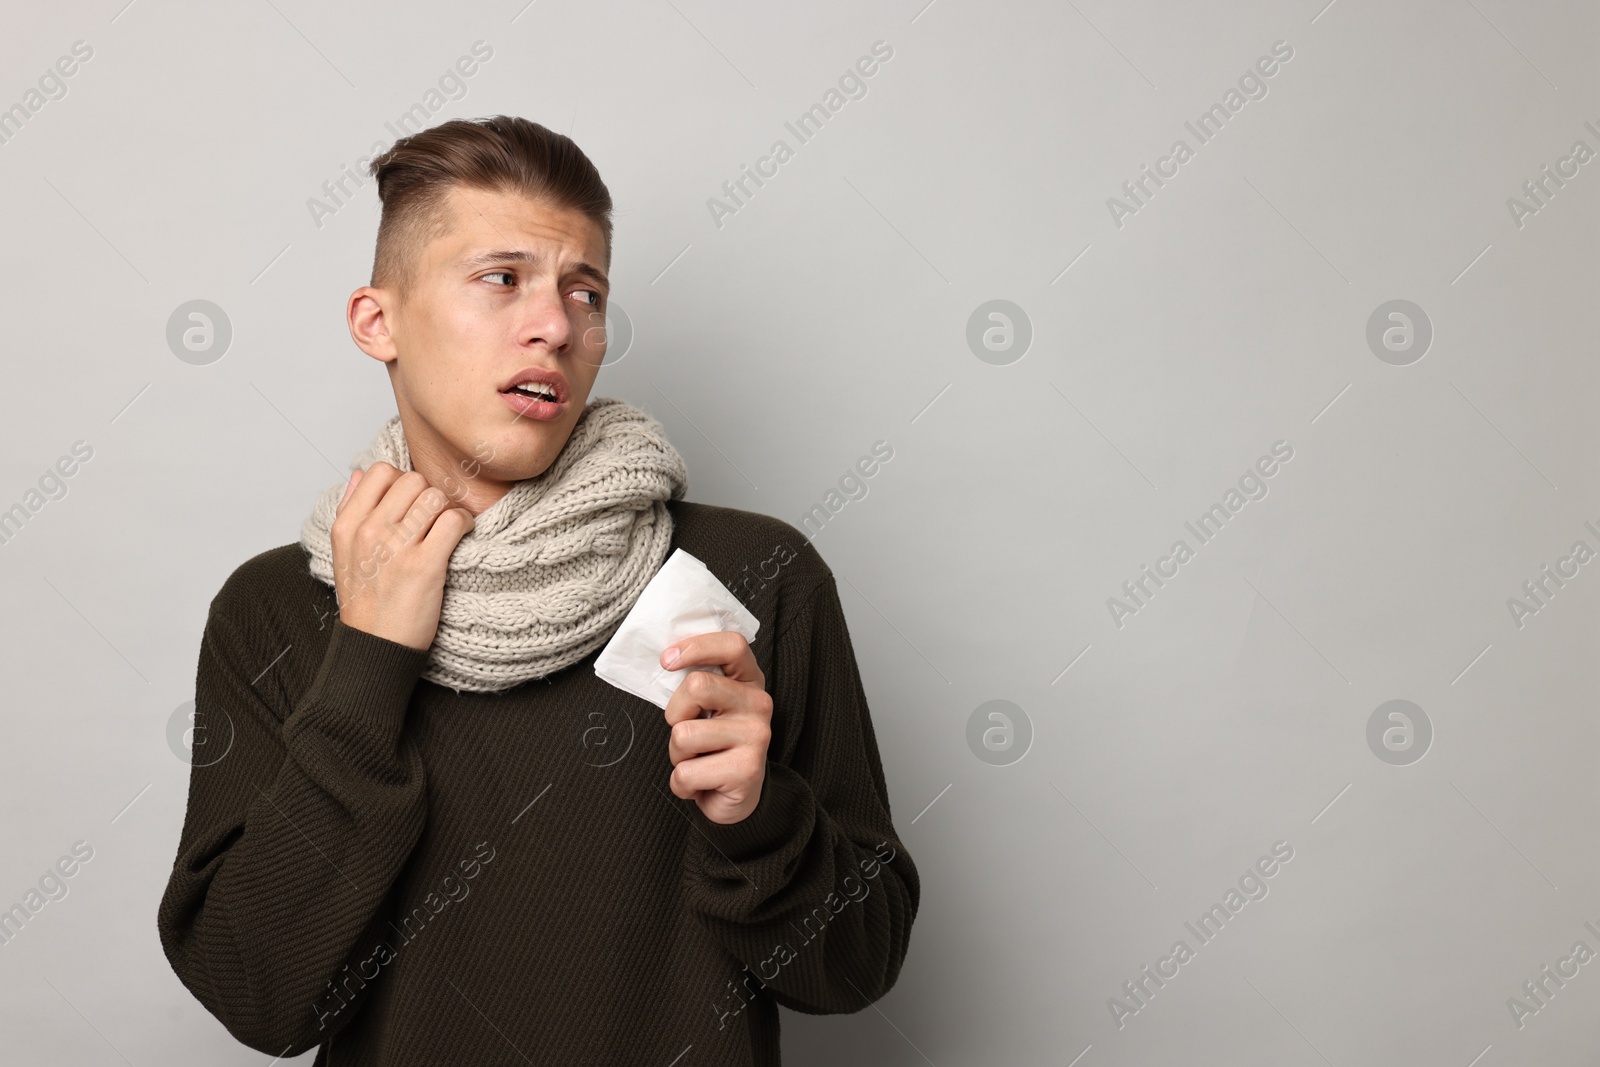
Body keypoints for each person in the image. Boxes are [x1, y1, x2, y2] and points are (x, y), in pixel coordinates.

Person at [154, 114, 918, 1066]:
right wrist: (368, 662)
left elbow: (856, 968)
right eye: (501, 278)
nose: (555, 324)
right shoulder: (277, 609)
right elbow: (255, 994)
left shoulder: (756, 574)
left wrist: (758, 818)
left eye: (584, 290)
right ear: (377, 321)